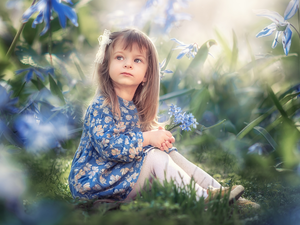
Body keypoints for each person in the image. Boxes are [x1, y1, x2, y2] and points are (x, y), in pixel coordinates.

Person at [68, 28, 244, 204]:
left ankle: (221, 193)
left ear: (146, 75)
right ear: (107, 66)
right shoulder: (101, 106)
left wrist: (156, 138)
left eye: (137, 60)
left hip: (118, 178)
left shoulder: (134, 108)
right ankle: (205, 199)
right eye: (120, 57)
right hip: (94, 185)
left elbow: (135, 144)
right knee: (154, 156)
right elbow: (110, 148)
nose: (128, 64)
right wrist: (147, 138)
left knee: (165, 152)